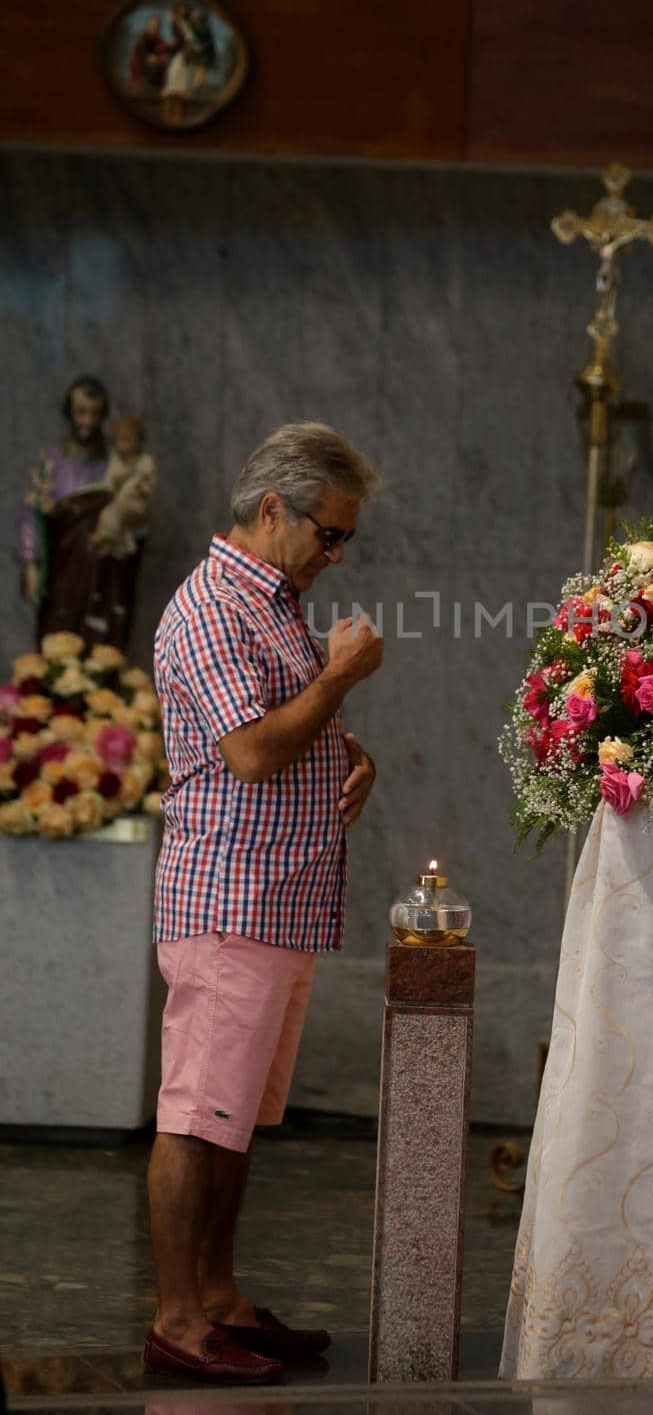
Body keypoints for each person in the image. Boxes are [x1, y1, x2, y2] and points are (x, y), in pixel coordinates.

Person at [144, 422, 384, 1385]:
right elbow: (247, 752)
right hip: (229, 901)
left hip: (280, 900)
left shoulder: (274, 601)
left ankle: (219, 1298)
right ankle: (175, 1319)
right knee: (194, 1117)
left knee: (233, 1118)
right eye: (328, 534)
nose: (334, 556)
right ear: (273, 508)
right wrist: (337, 676)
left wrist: (349, 748)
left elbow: (278, 727)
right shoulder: (210, 607)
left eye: (346, 542)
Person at [17, 376, 114, 645]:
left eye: (95, 413)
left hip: (98, 570)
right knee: (56, 629)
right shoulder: (51, 461)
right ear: (69, 412)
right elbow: (31, 513)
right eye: (81, 412)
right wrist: (31, 562)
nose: (88, 422)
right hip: (60, 566)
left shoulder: (112, 464)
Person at [91, 413, 156, 560]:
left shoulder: (144, 460)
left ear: (138, 441)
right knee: (108, 512)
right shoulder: (116, 459)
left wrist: (134, 482)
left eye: (128, 440)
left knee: (115, 510)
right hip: (118, 502)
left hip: (137, 504)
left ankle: (106, 537)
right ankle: (119, 543)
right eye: (119, 440)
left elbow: (146, 486)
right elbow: (109, 482)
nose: (123, 444)